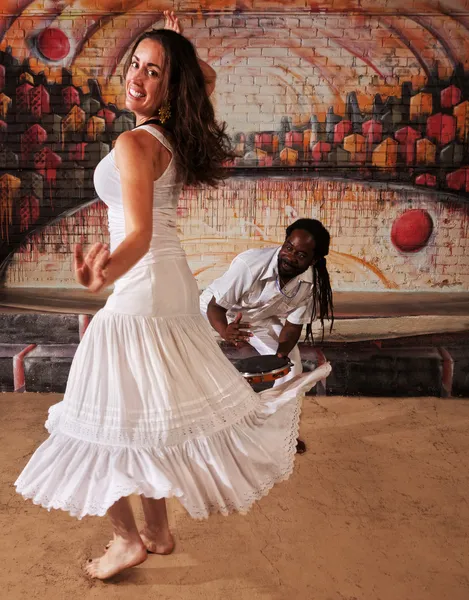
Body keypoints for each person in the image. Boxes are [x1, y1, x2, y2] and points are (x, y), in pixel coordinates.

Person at [15, 12, 331, 581]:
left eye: (153, 72)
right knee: (144, 410)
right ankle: (157, 533)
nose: (135, 77)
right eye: (135, 64)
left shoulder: (135, 141)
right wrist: (178, 47)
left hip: (140, 287)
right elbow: (203, 80)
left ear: (170, 87)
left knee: (98, 416)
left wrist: (101, 274)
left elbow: (137, 235)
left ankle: (125, 541)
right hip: (172, 288)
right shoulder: (170, 136)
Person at [200, 219, 335, 453]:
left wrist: (280, 356)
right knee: (202, 370)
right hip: (213, 312)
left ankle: (282, 432)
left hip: (256, 318)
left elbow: (292, 327)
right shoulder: (250, 264)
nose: (290, 256)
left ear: (313, 260)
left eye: (301, 255)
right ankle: (211, 435)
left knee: (291, 370)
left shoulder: (310, 284)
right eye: (289, 247)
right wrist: (225, 331)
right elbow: (215, 307)